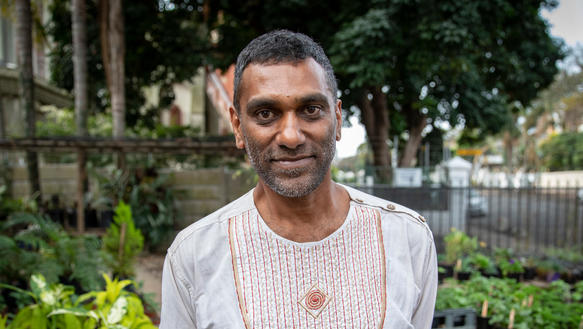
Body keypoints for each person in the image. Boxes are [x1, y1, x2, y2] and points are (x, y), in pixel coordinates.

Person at [160, 30, 437, 329]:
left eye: (311, 110)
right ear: (238, 128)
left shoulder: (408, 238)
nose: (291, 136)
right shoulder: (194, 255)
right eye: (265, 113)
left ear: (338, 119)